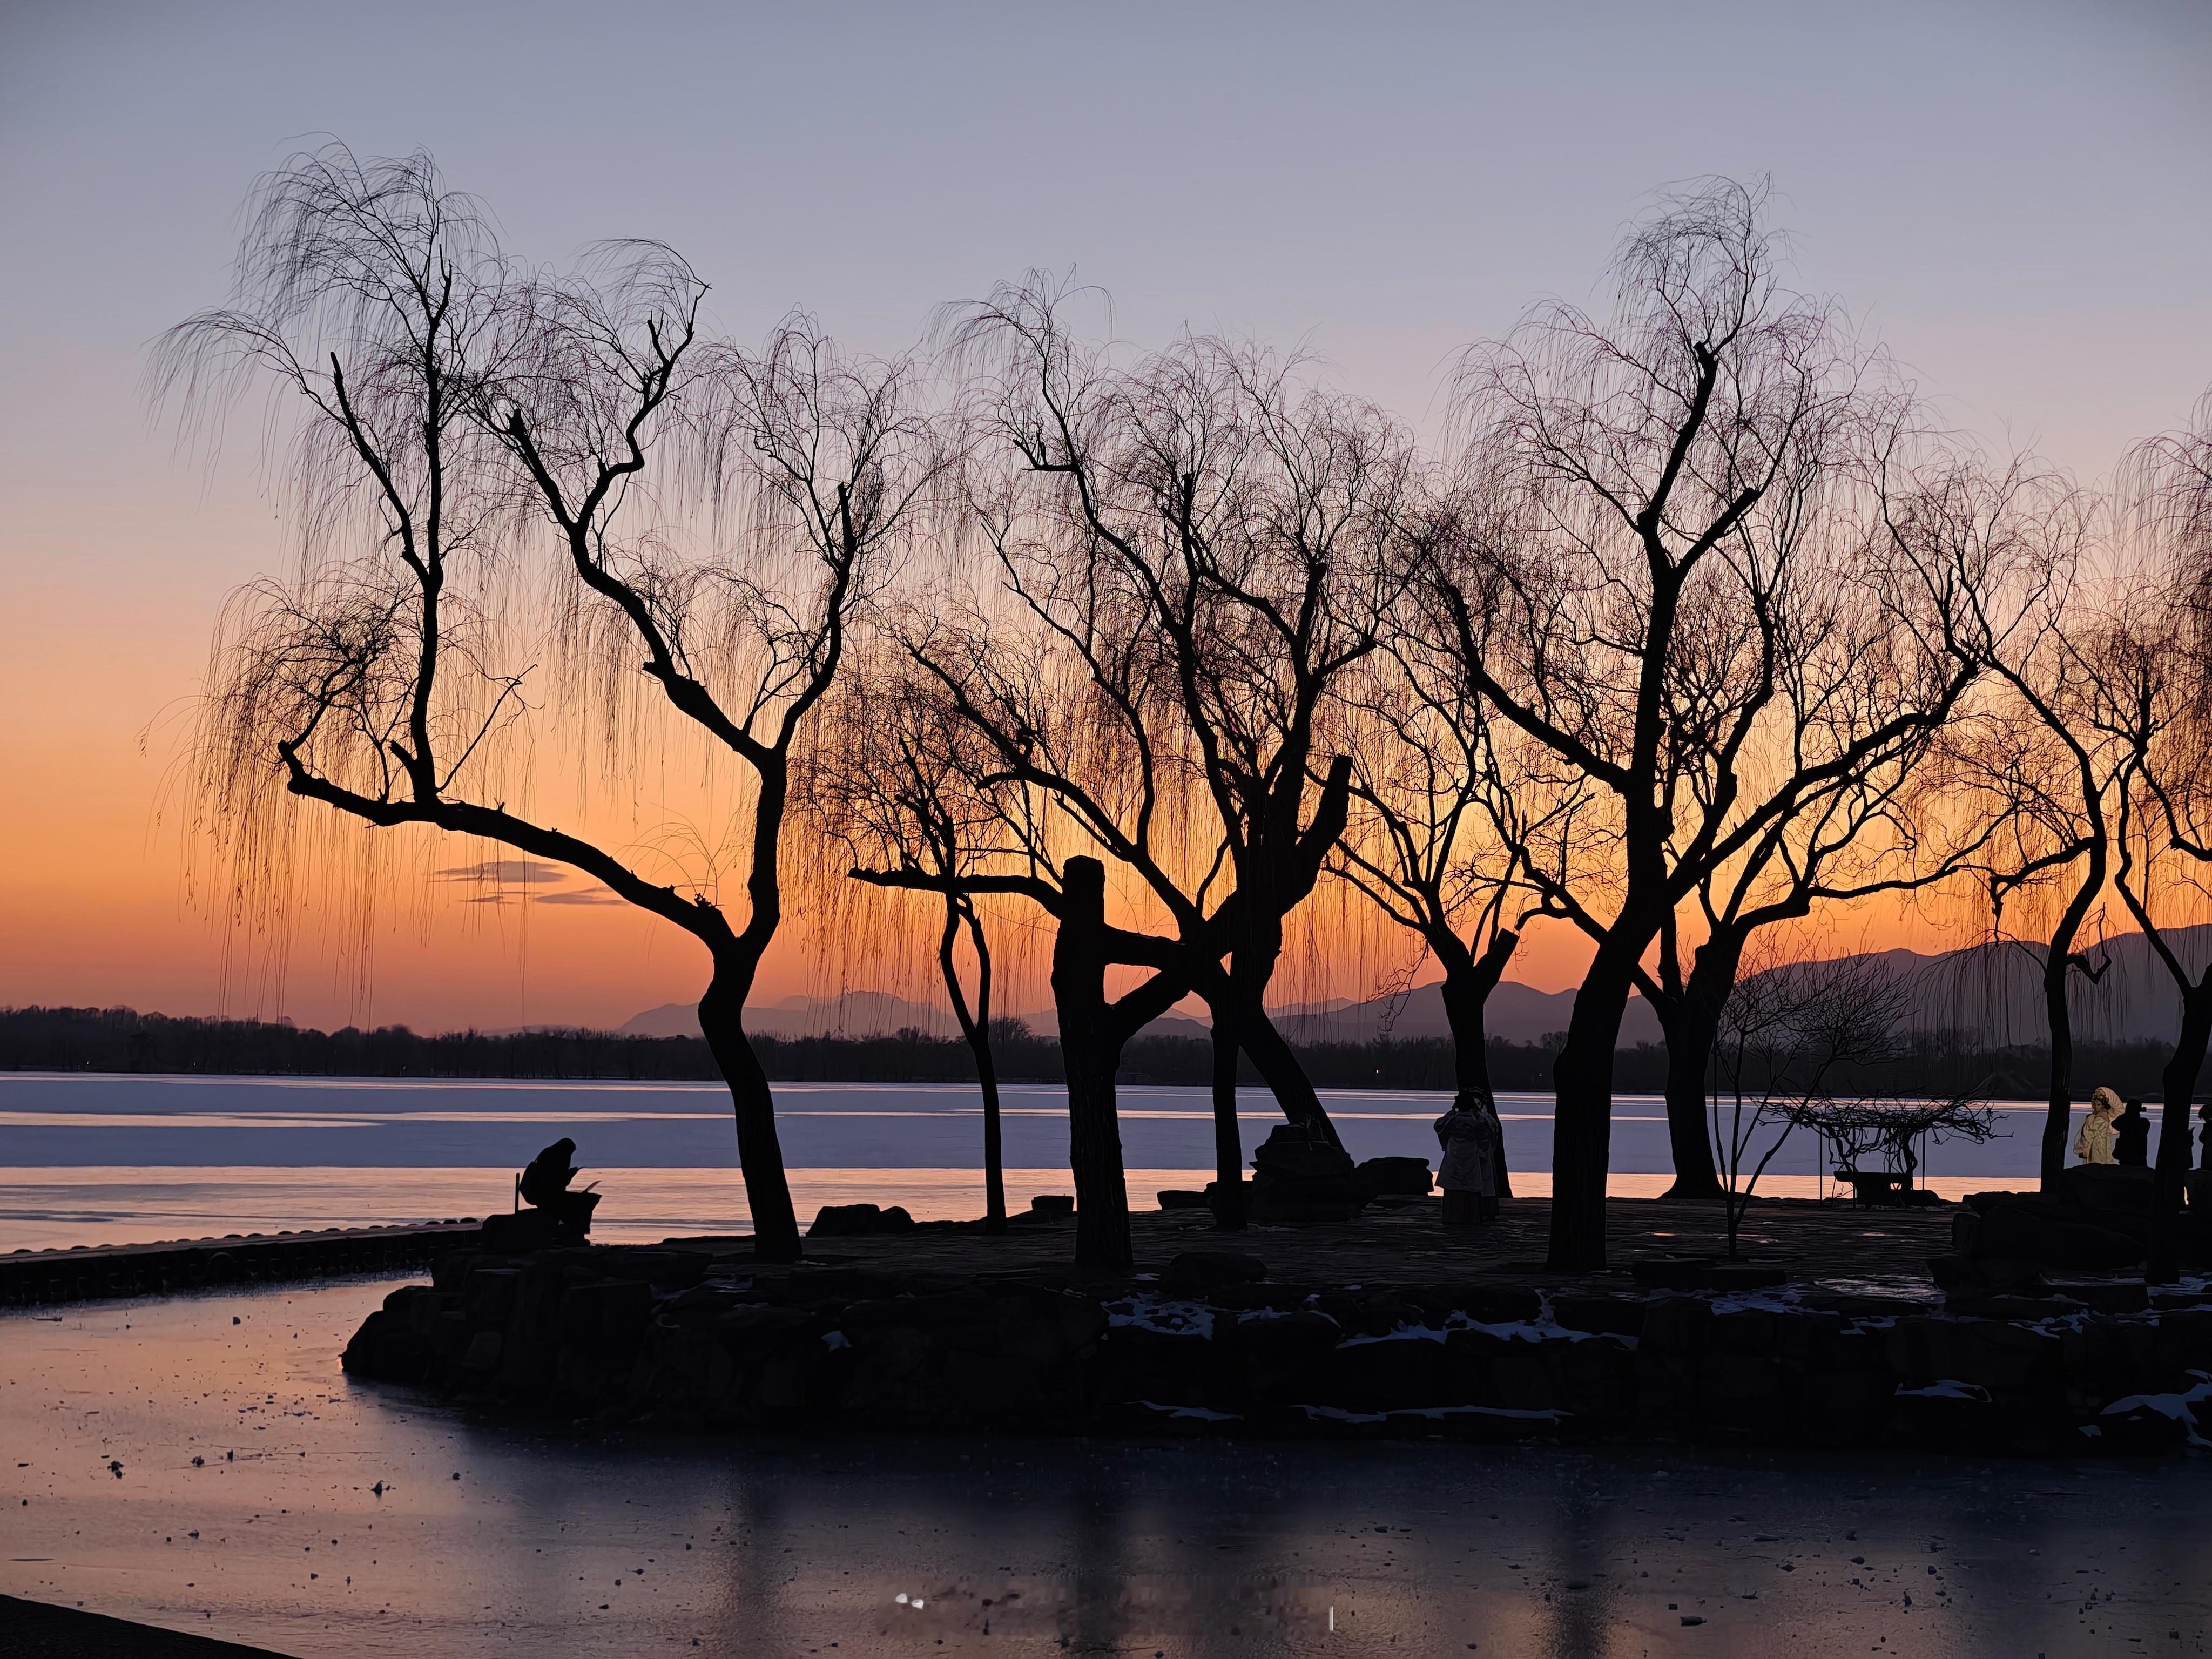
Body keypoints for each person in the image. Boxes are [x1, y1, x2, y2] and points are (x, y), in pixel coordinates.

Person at [1433, 1094, 1500, 1227]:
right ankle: (1470, 1216)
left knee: (1453, 1187)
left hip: (1454, 1156)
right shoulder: (1478, 1121)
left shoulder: (1452, 1121)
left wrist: (1453, 1112)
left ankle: (1452, 1216)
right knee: (1470, 1189)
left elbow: (1438, 1126)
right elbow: (1490, 1131)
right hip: (1471, 1157)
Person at [2075, 1087, 2121, 1166]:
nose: (2096, 1107)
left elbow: (2088, 1134)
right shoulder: (2098, 1117)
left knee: (2097, 1163)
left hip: (2098, 1144)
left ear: (2103, 1105)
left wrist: (2084, 1148)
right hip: (2100, 1144)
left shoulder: (2097, 1118)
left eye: (2098, 1104)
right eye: (2094, 1104)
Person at [2114, 1098, 2151, 1168]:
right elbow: (2114, 1124)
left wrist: (2127, 1115)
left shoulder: (2143, 1123)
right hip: (2128, 1157)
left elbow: (2115, 1124)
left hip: (2136, 1157)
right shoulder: (2143, 1122)